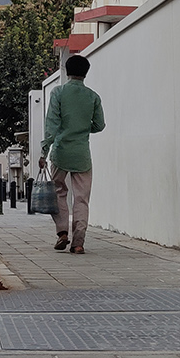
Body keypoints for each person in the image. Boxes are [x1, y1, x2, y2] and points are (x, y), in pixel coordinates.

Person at [38, 54, 105, 255]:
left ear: (67, 71)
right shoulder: (93, 96)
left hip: (60, 152)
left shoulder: (58, 93)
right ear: (86, 73)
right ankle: (78, 243)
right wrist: (82, 128)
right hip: (82, 154)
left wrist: (44, 151)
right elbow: (99, 125)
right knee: (81, 198)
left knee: (59, 192)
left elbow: (52, 125)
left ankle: (62, 232)